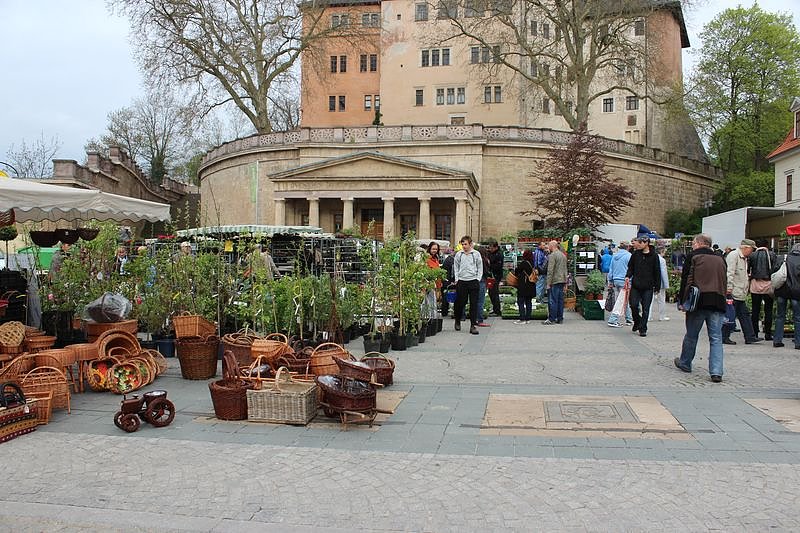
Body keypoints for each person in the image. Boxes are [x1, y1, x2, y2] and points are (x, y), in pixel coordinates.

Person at [674, 233, 728, 383]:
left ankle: (685, 362)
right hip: (717, 300)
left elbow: (687, 279)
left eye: (693, 242)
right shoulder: (720, 258)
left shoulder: (693, 257)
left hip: (698, 301)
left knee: (692, 334)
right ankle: (716, 371)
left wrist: (682, 300)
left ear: (699, 243)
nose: (692, 245)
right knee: (716, 338)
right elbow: (724, 280)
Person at [722, 239, 762, 345]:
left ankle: (750, 336)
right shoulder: (734, 256)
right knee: (730, 314)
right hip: (734, 291)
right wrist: (728, 288)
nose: (752, 252)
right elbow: (729, 273)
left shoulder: (744, 258)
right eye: (752, 249)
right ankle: (724, 336)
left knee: (744, 315)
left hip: (740, 292)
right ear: (746, 248)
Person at [625, 236, 661, 337]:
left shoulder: (654, 256)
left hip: (648, 286)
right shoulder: (636, 254)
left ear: (646, 243)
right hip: (636, 285)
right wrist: (628, 276)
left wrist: (657, 287)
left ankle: (643, 328)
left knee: (646, 308)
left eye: (640, 243)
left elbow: (657, 272)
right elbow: (630, 267)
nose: (638, 244)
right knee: (633, 305)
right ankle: (637, 321)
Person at [452, 235, 482, 335]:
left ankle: (473, 325)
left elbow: (479, 267)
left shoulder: (476, 254)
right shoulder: (459, 254)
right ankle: (457, 319)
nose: (464, 246)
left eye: (465, 244)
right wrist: (457, 279)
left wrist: (478, 279)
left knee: (474, 304)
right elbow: (456, 267)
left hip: (473, 281)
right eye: (462, 244)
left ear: (470, 244)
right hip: (462, 281)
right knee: (461, 302)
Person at [772, 244, 800, 348]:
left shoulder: (782, 258)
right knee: (798, 317)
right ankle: (798, 342)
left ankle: (777, 340)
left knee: (780, 316)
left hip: (781, 291)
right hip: (797, 292)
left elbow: (774, 272)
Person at [749, 239, 777, 341]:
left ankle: (755, 333)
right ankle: (768, 334)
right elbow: (775, 269)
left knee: (755, 310)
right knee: (768, 310)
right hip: (768, 284)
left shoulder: (752, 255)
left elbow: (749, 270)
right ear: (767, 245)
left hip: (755, 284)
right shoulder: (772, 255)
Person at [606, 241, 633, 327]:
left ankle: (629, 319)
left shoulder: (614, 256)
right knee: (621, 300)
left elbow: (611, 269)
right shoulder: (629, 256)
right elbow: (631, 269)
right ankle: (613, 320)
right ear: (628, 247)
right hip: (625, 280)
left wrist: (610, 281)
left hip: (616, 279)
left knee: (624, 299)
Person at [542, 240, 567, 325]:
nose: (548, 246)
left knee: (552, 300)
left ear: (552, 246)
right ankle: (560, 318)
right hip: (562, 280)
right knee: (560, 301)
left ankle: (551, 319)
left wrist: (548, 283)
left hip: (554, 281)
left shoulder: (552, 256)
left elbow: (550, 270)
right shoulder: (563, 255)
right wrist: (565, 283)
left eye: (548, 245)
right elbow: (565, 270)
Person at [514, 249, 536, 324]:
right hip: (531, 285)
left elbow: (517, 272)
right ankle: (528, 318)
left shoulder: (523, 263)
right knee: (528, 302)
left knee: (520, 301)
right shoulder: (532, 263)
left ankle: (522, 318)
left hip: (524, 285)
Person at [653, 246, 670, 321]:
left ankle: (648, 316)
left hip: (652, 282)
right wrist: (666, 284)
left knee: (650, 300)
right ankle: (662, 316)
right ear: (661, 251)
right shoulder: (662, 260)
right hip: (660, 282)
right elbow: (663, 273)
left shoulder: (652, 258)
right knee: (661, 299)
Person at [486, 240, 504, 316]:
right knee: (491, 292)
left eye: (491, 248)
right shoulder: (491, 253)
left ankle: (497, 310)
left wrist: (489, 264)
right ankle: (495, 308)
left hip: (496, 275)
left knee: (494, 293)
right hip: (491, 275)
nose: (490, 249)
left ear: (496, 247)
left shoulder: (499, 254)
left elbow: (498, 266)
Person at [426, 242, 442, 320]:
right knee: (429, 302)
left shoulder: (436, 259)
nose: (434, 250)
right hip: (429, 283)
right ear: (429, 249)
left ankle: (432, 317)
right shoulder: (427, 259)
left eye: (436, 249)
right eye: (433, 249)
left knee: (433, 301)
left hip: (436, 284)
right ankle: (429, 317)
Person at [475, 247, 491, 326]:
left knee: (474, 301)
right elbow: (486, 272)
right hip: (481, 281)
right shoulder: (485, 260)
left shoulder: (475, 260)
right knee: (480, 302)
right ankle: (480, 320)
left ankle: (474, 319)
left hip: (474, 281)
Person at [440, 248, 455, 317]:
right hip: (448, 281)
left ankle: (444, 312)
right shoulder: (451, 260)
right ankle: (448, 311)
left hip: (444, 280)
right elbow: (452, 272)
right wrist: (452, 281)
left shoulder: (447, 260)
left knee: (444, 297)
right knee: (447, 296)